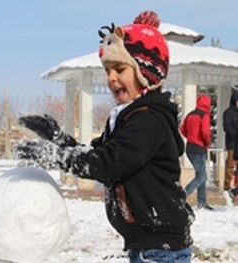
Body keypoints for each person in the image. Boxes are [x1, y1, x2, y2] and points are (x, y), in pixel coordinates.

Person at [15, 10, 194, 263]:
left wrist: (57, 157)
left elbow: (108, 164)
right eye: (108, 69)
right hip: (149, 245)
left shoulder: (148, 120)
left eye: (119, 68)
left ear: (146, 73)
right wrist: (57, 138)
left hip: (161, 249)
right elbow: (94, 154)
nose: (111, 78)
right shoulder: (128, 118)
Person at [180, 94, 213, 210]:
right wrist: (207, 143)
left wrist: (190, 137)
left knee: (201, 174)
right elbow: (205, 132)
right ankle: (183, 195)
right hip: (199, 148)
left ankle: (202, 201)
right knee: (202, 176)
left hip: (189, 147)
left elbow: (182, 129)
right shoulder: (204, 115)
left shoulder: (190, 114)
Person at [222, 90, 238, 191]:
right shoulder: (228, 113)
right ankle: (227, 185)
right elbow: (227, 127)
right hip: (232, 143)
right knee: (230, 165)